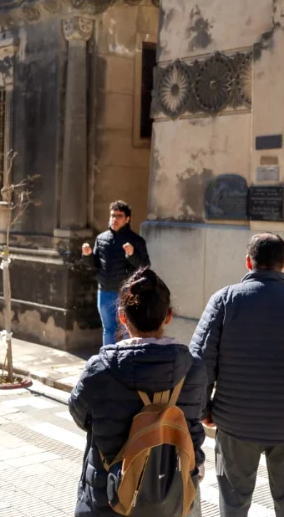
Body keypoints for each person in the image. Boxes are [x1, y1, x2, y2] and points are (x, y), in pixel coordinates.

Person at [189, 233, 284, 517]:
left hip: (234, 423)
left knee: (233, 503)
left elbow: (200, 361)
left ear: (248, 262)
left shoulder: (224, 300)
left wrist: (204, 407)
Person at [68, 267, 206, 517]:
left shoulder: (99, 369)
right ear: (168, 316)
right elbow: (194, 424)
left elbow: (80, 416)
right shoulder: (194, 369)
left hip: (109, 496)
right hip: (173, 496)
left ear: (122, 317)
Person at [82, 200, 150, 347]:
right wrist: (87, 256)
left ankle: (125, 361)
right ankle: (108, 360)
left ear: (127, 219)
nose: (114, 219)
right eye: (112, 215)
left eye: (119, 216)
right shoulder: (101, 239)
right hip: (105, 291)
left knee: (126, 330)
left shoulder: (136, 240)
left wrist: (132, 255)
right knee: (108, 329)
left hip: (125, 293)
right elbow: (94, 266)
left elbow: (145, 267)